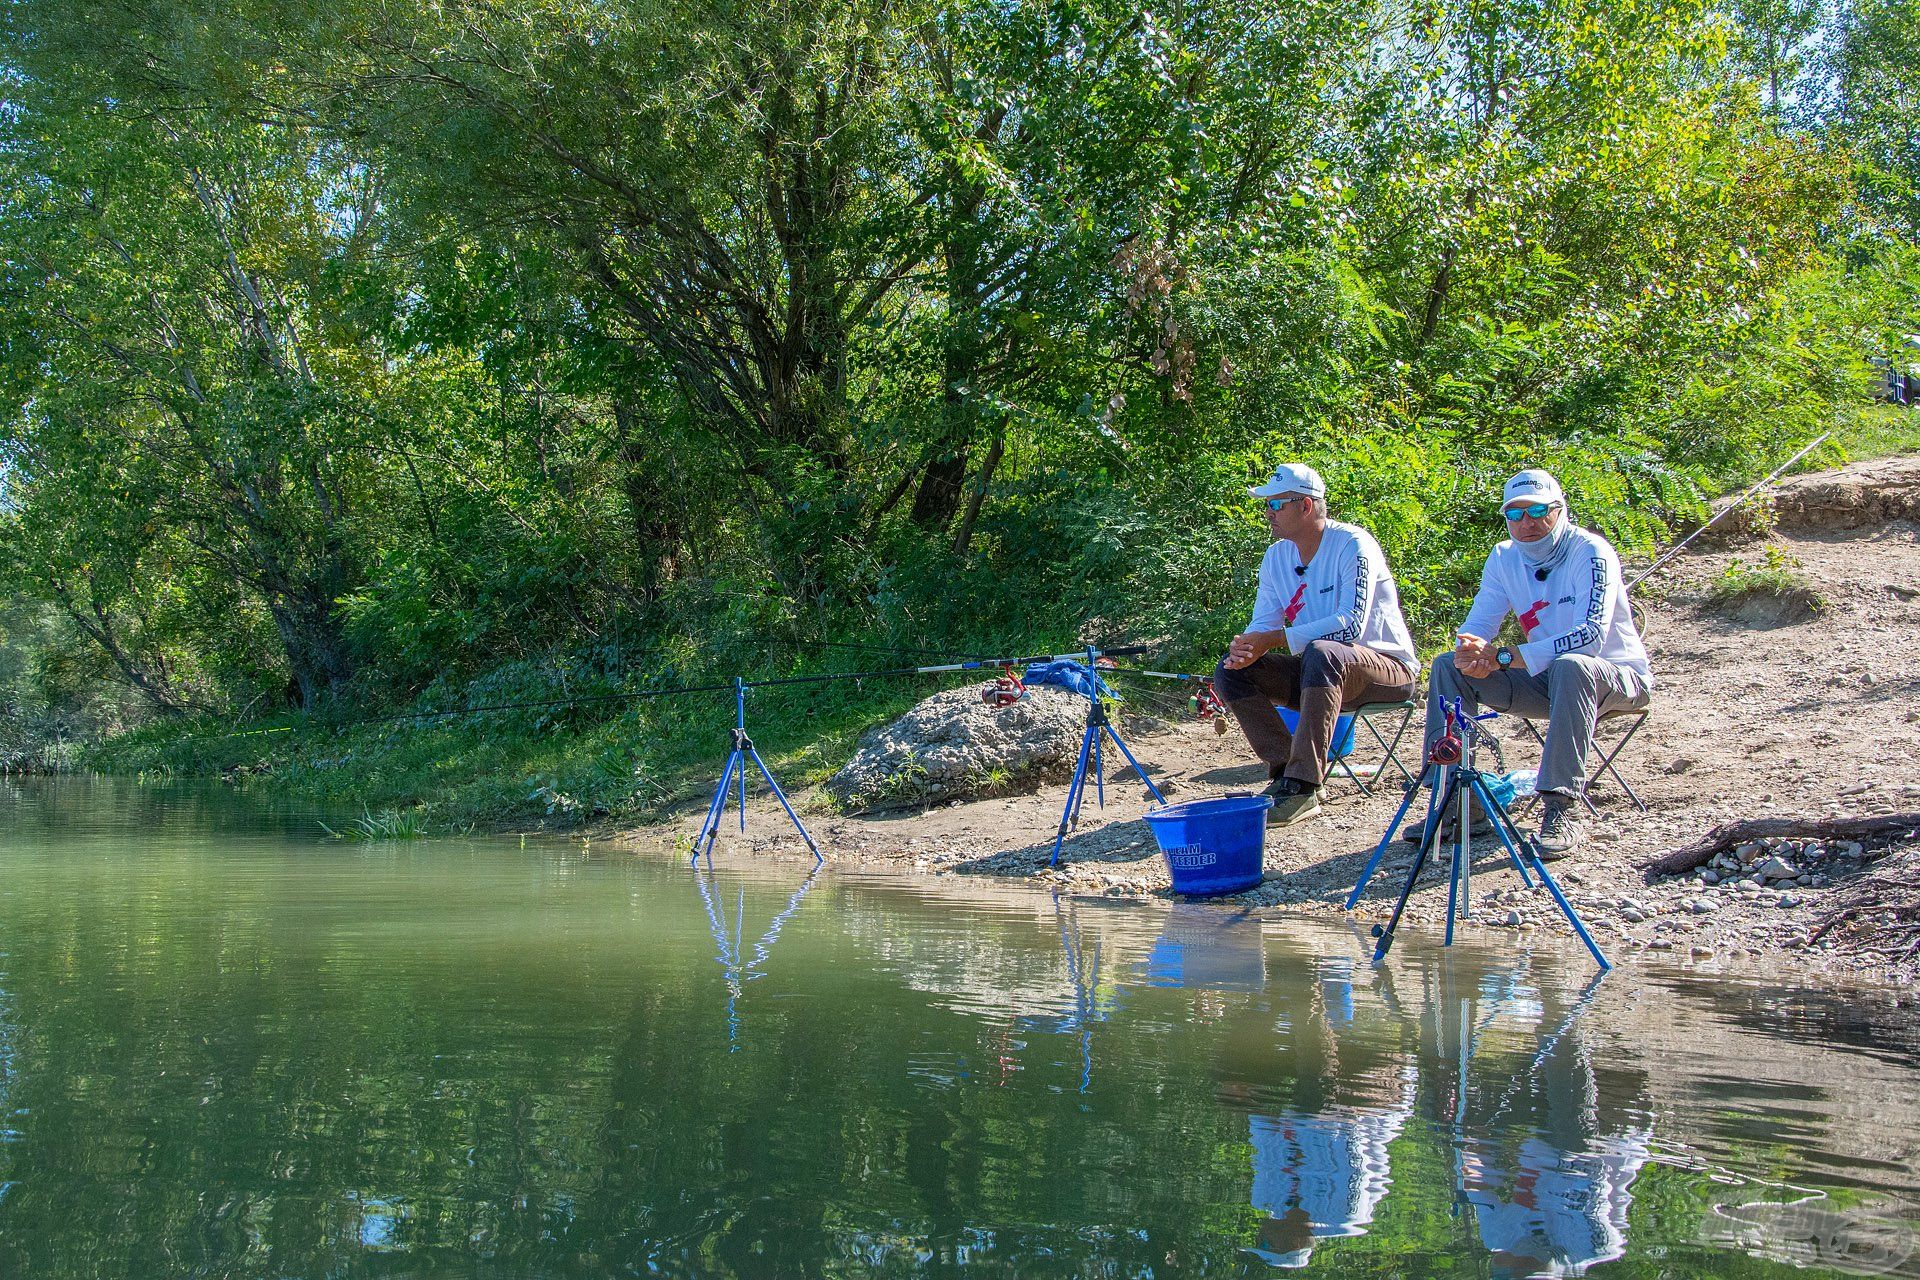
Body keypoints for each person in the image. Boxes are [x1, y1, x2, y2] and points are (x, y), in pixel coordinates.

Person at [1423, 468, 1652, 857]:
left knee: (1572, 665)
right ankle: (1455, 802)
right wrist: (1471, 650)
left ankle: (1562, 807)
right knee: (1448, 666)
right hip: (1546, 681)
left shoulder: (1590, 551)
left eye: (1537, 512)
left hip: (1615, 678)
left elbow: (1591, 636)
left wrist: (1505, 657)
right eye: (1515, 514)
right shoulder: (1503, 556)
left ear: (1559, 510)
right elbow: (1481, 622)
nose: (1526, 524)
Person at [1214, 463, 1418, 826]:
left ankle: (1304, 785)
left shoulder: (1352, 543)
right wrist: (1245, 648)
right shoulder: (1276, 556)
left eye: (1276, 505)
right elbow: (1265, 622)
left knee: (1323, 650)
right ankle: (1285, 775)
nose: (1268, 513)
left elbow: (1349, 627)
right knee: (1232, 673)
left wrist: (1274, 640)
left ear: (1306, 506)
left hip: (1385, 670)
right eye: (1267, 505)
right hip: (1321, 674)